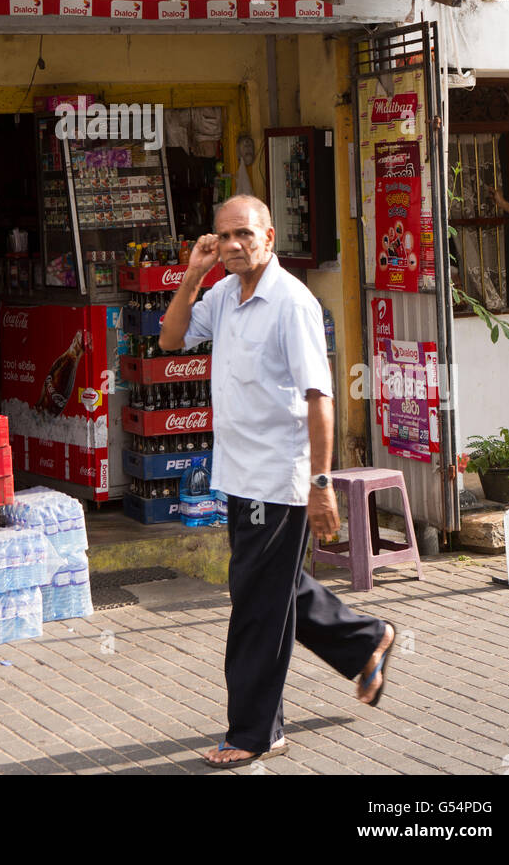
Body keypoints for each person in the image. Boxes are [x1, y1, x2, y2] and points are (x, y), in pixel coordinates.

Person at [159, 194, 395, 769]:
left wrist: (320, 484)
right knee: (274, 587)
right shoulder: (223, 293)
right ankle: (366, 639)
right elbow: (169, 341)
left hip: (278, 478)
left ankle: (256, 731)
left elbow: (321, 398)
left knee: (256, 607)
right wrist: (193, 274)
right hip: (237, 472)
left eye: (244, 234)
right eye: (223, 237)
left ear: (269, 236)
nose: (234, 245)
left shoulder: (291, 303)